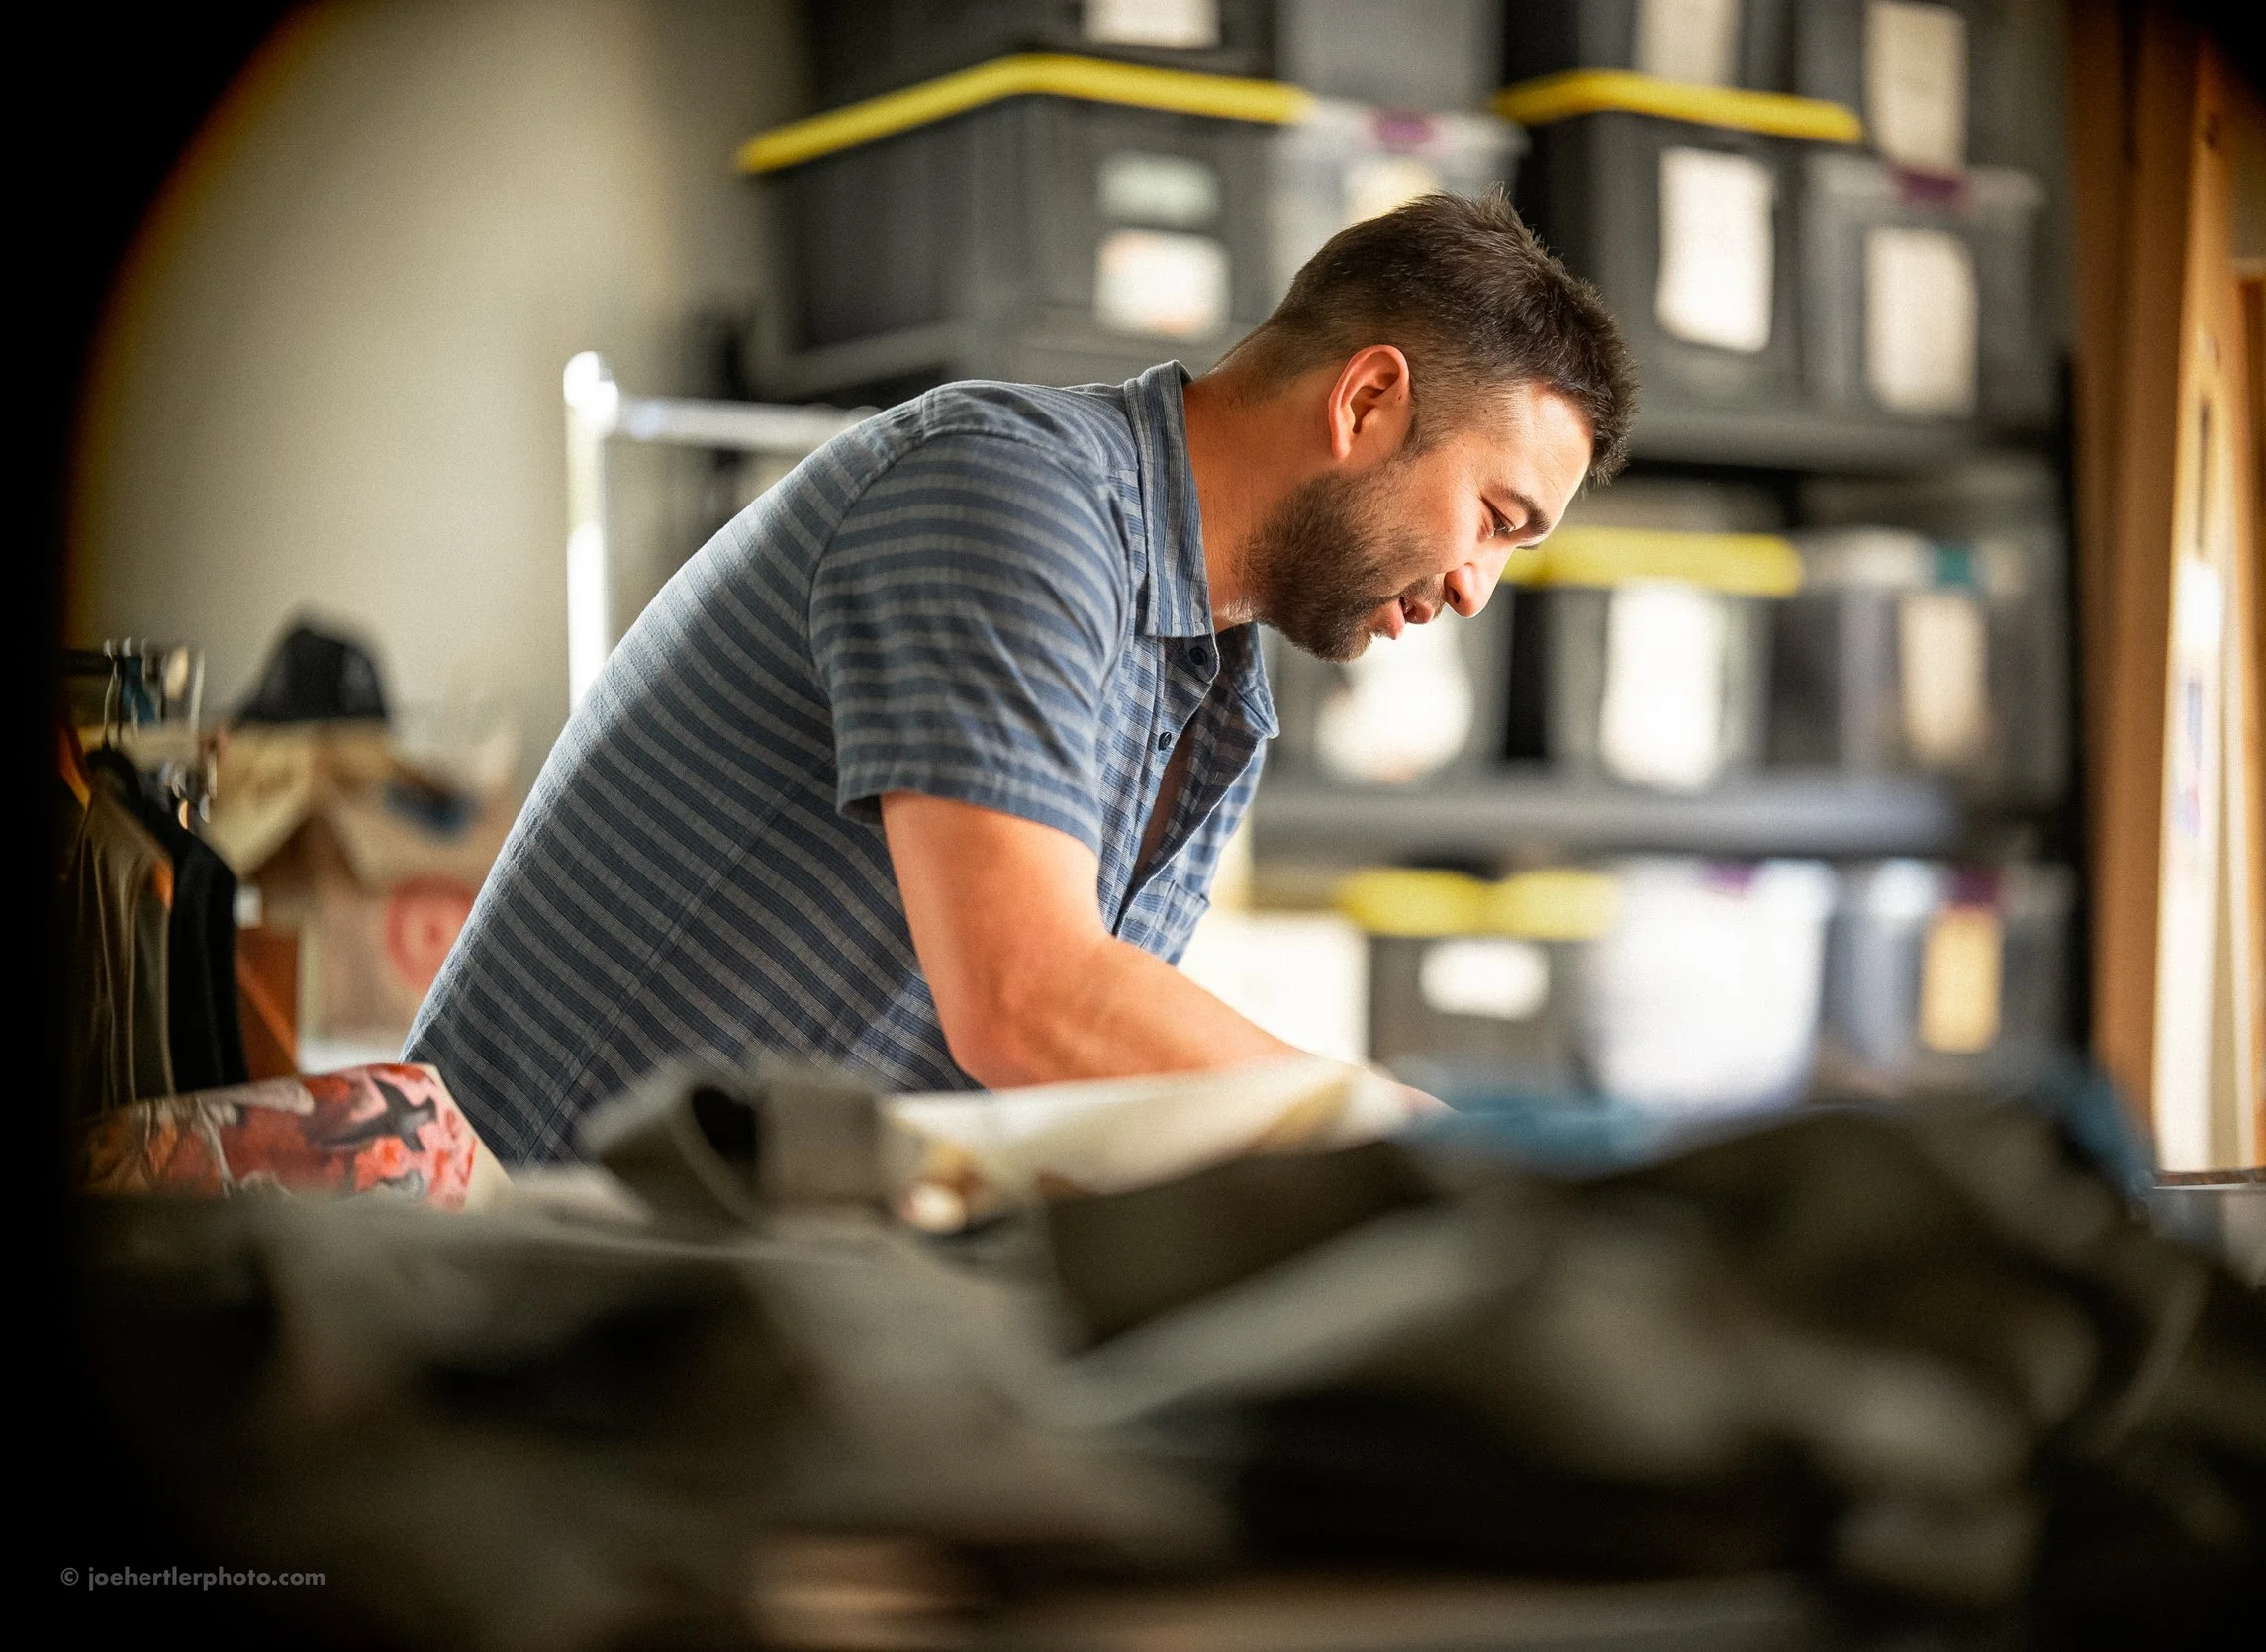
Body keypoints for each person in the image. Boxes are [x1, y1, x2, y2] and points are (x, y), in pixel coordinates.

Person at [408, 192, 1637, 1164]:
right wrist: (1408, 1140)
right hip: (499, 1271)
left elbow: (1045, 1087)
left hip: (719, 1280)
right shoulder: (1009, 492)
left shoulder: (1212, 689)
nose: (1477, 585)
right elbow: (1028, 1000)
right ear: (1367, 399)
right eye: (1491, 514)